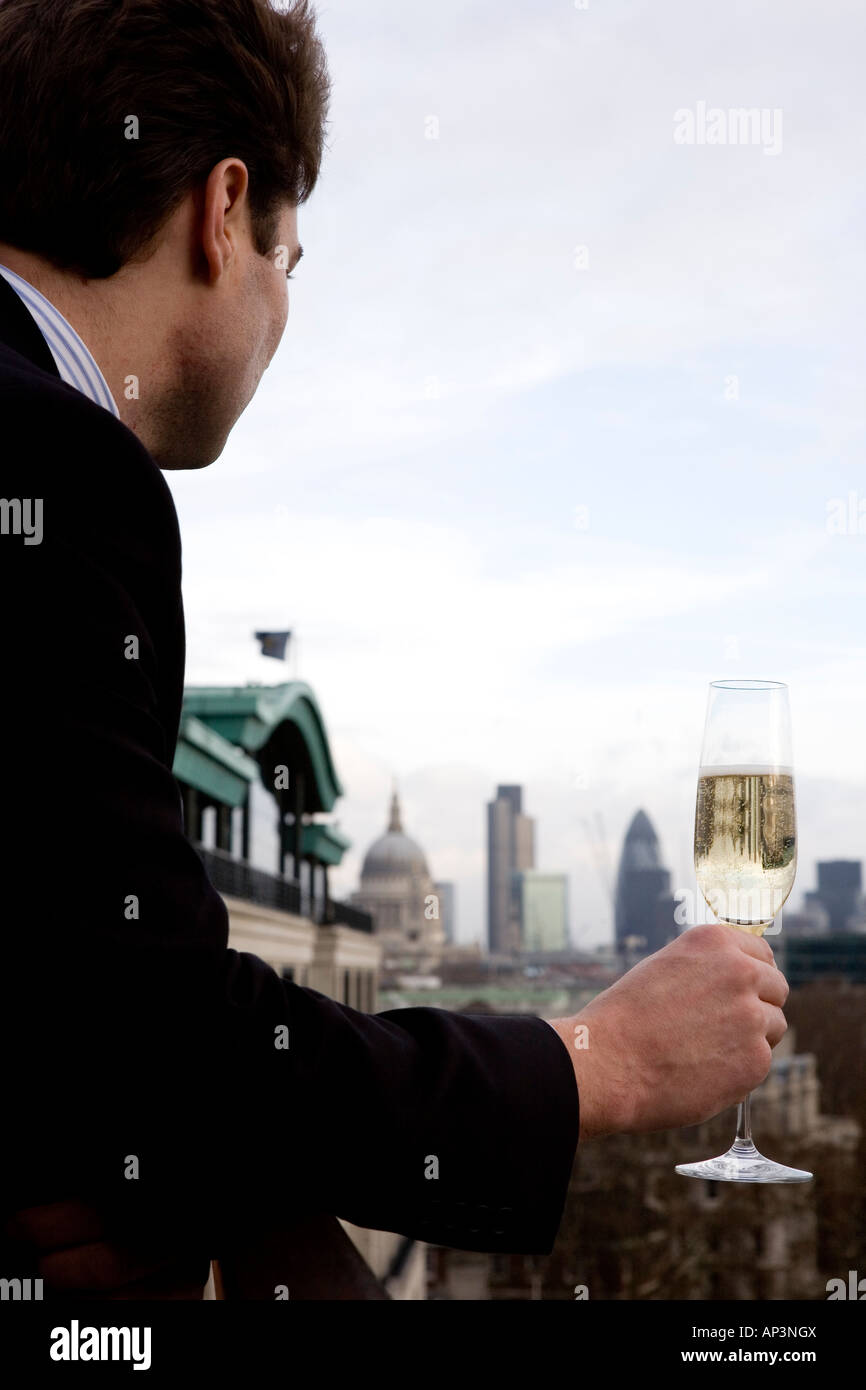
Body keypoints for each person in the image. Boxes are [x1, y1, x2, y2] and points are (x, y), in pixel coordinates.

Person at [0, 0, 789, 1299]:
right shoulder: (52, 458)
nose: (282, 308)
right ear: (223, 210)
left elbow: (93, 1000)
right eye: (290, 263)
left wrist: (152, 1165)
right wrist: (605, 1059)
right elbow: (163, 1043)